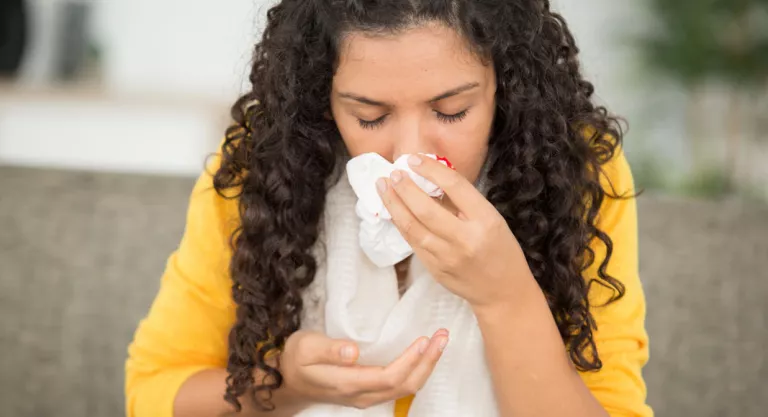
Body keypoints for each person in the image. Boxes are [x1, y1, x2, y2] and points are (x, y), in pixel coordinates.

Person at [126, 1, 652, 416]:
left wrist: (506, 297)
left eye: (452, 110)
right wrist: (282, 386)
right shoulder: (261, 171)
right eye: (370, 116)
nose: (408, 154)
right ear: (322, 100)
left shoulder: (575, 173)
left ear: (506, 86)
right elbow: (153, 392)